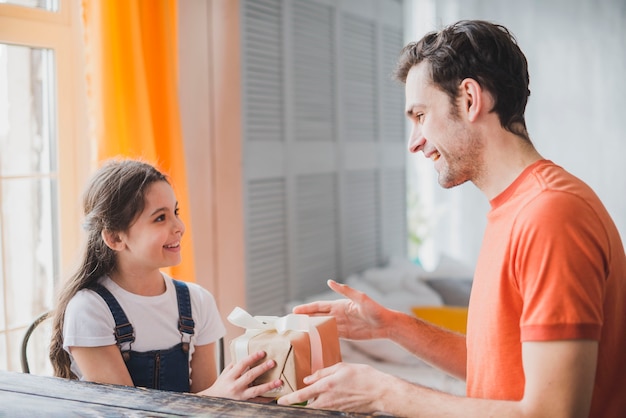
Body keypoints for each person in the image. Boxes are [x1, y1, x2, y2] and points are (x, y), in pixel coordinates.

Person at [277, 19, 626, 417]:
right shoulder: (517, 209)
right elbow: (499, 365)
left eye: (420, 115)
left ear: (470, 99)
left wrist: (385, 395)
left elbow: (554, 412)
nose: (415, 142)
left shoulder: (550, 214)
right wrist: (391, 326)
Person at [49, 158, 282, 398]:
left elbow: (205, 404)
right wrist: (219, 396)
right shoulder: (89, 309)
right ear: (116, 239)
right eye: (160, 218)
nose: (179, 226)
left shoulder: (197, 301)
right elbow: (126, 412)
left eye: (176, 212)